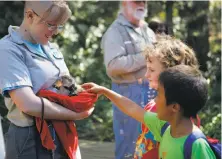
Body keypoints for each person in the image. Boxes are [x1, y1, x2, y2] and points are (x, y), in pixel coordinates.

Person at [0, 1, 94, 159]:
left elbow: (64, 84)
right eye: (51, 24)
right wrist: (76, 115)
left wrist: (84, 95)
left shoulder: (51, 48)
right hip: (30, 140)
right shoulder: (8, 49)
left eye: (60, 26)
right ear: (30, 15)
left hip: (62, 133)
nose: (56, 31)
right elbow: (28, 104)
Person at [82, 65, 216, 159]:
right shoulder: (164, 127)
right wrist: (104, 91)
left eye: (158, 95)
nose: (154, 100)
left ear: (174, 107)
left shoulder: (197, 144)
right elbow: (132, 109)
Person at [101, 1, 156, 158]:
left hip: (151, 91)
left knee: (149, 143)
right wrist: (146, 57)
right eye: (137, 1)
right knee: (129, 145)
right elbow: (113, 66)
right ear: (124, 3)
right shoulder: (115, 31)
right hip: (128, 92)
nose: (141, 4)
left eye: (144, 1)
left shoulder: (146, 29)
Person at [133, 35, 200, 159]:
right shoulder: (156, 103)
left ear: (171, 72)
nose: (146, 75)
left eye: (151, 70)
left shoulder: (177, 111)